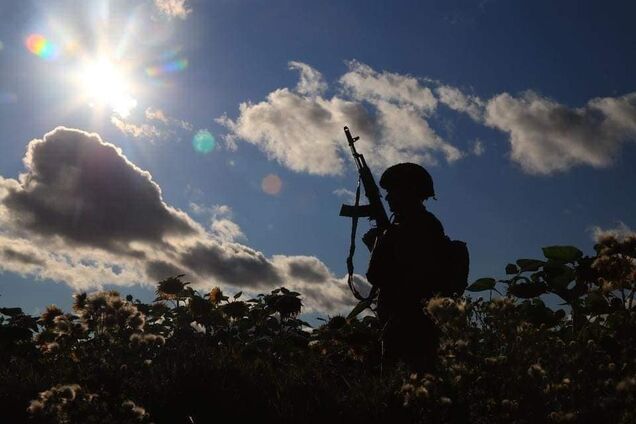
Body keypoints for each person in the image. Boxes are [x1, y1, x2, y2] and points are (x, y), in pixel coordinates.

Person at [364, 163, 446, 372]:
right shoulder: (422, 224)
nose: (388, 198)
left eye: (393, 191)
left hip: (407, 322)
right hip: (408, 320)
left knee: (404, 380)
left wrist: (378, 245)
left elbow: (378, 274)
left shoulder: (414, 227)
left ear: (409, 191)